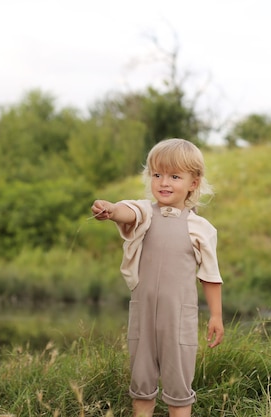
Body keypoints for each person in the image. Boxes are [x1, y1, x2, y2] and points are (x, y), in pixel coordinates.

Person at [91, 138, 224, 417]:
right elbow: (125, 211)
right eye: (157, 174)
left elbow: (210, 276)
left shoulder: (200, 228)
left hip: (179, 316)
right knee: (142, 379)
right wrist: (111, 210)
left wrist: (216, 316)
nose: (164, 182)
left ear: (193, 183)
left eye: (175, 176)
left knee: (178, 382)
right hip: (143, 313)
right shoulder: (144, 214)